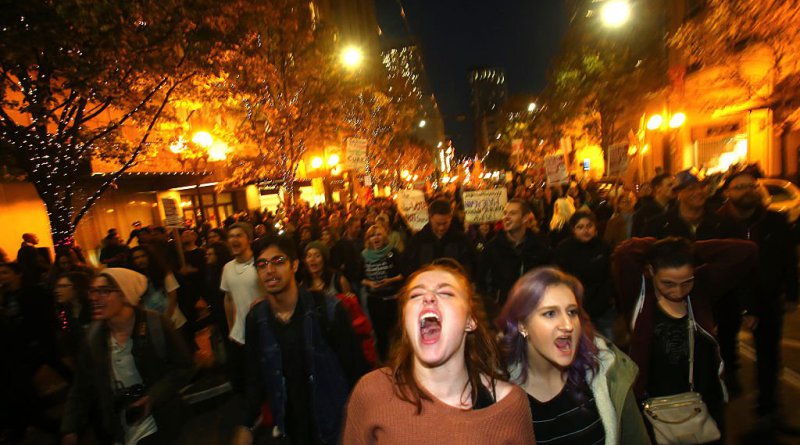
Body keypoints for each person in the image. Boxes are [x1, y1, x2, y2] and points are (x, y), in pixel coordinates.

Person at [342, 261, 536, 444]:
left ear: (470, 321)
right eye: (415, 295)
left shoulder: (509, 405)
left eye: (446, 293)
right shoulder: (371, 392)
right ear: (405, 322)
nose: (428, 297)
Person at [612, 237, 758, 443]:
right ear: (651, 271)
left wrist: (687, 250)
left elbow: (745, 251)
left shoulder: (701, 288)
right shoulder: (639, 292)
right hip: (653, 403)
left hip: (702, 399)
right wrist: (663, 250)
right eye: (668, 283)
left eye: (686, 282)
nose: (678, 291)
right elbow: (625, 253)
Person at [233, 236, 368, 445]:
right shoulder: (256, 320)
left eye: (278, 261)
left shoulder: (327, 310)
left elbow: (355, 369)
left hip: (335, 425)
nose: (269, 270)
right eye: (262, 264)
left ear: (294, 265)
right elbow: (254, 378)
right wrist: (247, 424)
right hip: (291, 428)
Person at [497, 267, 650, 444]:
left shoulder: (605, 371)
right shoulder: (498, 391)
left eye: (572, 312)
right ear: (522, 325)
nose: (568, 325)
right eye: (550, 313)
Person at [60, 268, 193, 445]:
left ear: (125, 295)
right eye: (93, 291)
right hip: (121, 427)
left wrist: (153, 397)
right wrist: (70, 429)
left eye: (104, 291)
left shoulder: (155, 324)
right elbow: (82, 386)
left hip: (156, 421)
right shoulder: (94, 337)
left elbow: (184, 367)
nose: (94, 298)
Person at [716, 168, 799, 435]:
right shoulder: (717, 223)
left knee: (769, 356)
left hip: (766, 297)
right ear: (728, 193)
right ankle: (729, 391)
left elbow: (788, 258)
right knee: (725, 346)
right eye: (739, 187)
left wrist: (792, 293)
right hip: (728, 297)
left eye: (750, 186)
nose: (746, 192)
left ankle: (768, 408)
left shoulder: (775, 221)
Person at [478, 199, 551, 319]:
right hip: (501, 312)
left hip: (532, 311)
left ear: (525, 218)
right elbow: (482, 281)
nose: (506, 217)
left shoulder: (540, 247)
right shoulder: (492, 248)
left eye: (512, 213)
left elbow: (547, 279)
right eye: (505, 213)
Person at [554, 211, 616, 340]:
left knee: (608, 343)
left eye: (589, 226)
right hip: (576, 306)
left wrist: (605, 299)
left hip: (602, 307)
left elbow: (609, 276)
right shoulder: (563, 249)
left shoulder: (603, 247)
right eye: (580, 227)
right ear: (573, 229)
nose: (585, 230)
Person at [220, 222, 263, 392]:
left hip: (261, 332)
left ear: (249, 239)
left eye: (239, 235)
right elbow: (228, 299)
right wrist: (231, 327)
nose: (234, 240)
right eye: (231, 236)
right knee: (244, 379)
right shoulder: (227, 268)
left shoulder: (260, 265)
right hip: (239, 334)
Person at [361, 225, 404, 362]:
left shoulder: (393, 252)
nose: (376, 238)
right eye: (372, 235)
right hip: (375, 300)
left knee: (395, 331)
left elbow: (402, 274)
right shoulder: (364, 256)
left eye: (378, 234)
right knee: (380, 332)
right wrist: (370, 283)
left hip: (392, 298)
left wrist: (389, 281)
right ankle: (384, 361)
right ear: (368, 239)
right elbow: (359, 277)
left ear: (384, 237)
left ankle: (398, 359)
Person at [129, 246, 189, 342]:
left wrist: (167, 317)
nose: (140, 260)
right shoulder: (134, 280)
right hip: (153, 322)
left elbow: (173, 295)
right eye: (136, 258)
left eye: (143, 256)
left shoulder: (163, 272)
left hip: (172, 317)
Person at [403, 199, 476, 277]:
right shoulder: (418, 240)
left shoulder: (462, 240)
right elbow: (406, 265)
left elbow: (471, 265)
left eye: (445, 223)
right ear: (430, 218)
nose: (441, 228)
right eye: (438, 224)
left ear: (450, 217)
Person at [53, 271, 92, 366]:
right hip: (79, 362)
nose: (57, 290)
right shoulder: (65, 311)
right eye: (57, 286)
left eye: (63, 286)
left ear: (77, 288)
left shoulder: (92, 308)